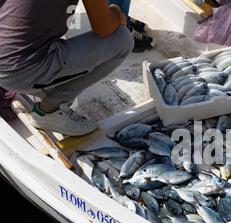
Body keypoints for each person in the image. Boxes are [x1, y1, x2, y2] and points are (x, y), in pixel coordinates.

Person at [0, 0, 134, 136]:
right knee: (122, 40)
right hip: (18, 72)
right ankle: (49, 110)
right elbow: (104, 28)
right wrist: (117, 12)